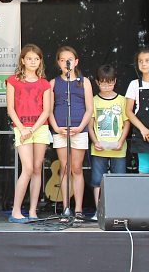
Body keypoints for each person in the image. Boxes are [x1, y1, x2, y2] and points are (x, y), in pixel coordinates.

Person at [5, 44, 53, 223]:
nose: (33, 62)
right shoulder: (13, 81)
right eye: (29, 58)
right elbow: (10, 109)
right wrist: (22, 128)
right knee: (28, 168)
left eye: (37, 59)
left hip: (40, 128)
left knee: (37, 168)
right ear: (23, 60)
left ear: (40, 61)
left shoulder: (44, 83)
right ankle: (16, 211)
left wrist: (32, 129)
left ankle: (33, 210)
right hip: (21, 128)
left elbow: (46, 111)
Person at [48, 46, 93, 222]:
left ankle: (79, 209)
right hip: (60, 130)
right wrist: (57, 128)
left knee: (77, 168)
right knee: (64, 168)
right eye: (62, 60)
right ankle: (66, 207)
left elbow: (89, 109)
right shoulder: (53, 83)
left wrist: (80, 127)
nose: (66, 63)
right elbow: (49, 110)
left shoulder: (84, 82)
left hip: (79, 130)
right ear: (58, 63)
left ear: (76, 62)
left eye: (70, 59)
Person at [88, 65, 129, 221]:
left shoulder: (122, 100)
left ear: (115, 81)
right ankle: (99, 210)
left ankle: (118, 211)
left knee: (119, 180)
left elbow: (126, 123)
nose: (106, 86)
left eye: (110, 83)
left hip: (118, 147)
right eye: (103, 83)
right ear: (97, 82)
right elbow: (90, 125)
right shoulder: (93, 101)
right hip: (99, 148)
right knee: (97, 181)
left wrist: (121, 141)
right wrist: (95, 141)